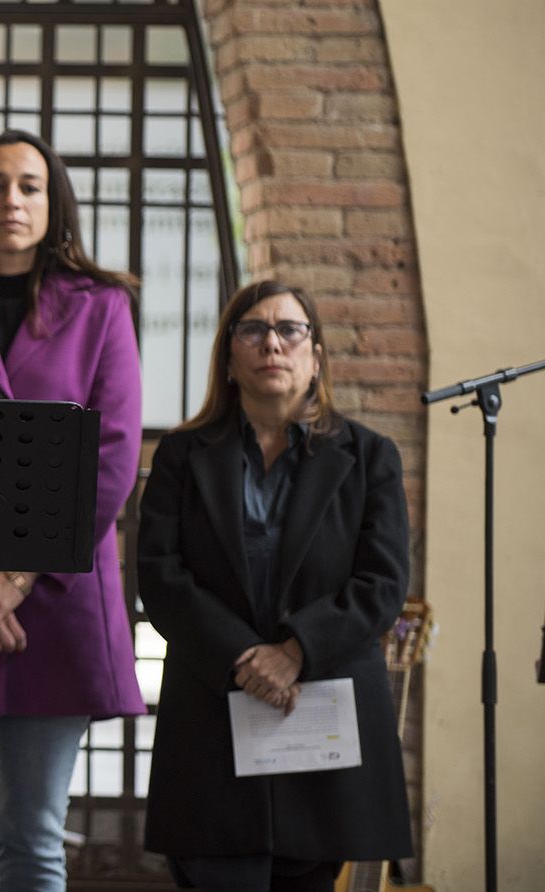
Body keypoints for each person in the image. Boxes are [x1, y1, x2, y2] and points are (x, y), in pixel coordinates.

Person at [136, 280, 413, 891]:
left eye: (290, 330)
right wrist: (246, 660)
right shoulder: (183, 456)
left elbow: (382, 582)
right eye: (252, 329)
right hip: (213, 711)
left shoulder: (370, 458)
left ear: (315, 356)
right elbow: (161, 577)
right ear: (229, 356)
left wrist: (292, 652)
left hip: (319, 713)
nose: (272, 344)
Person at [0, 129, 147, 891]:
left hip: (56, 602)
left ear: (54, 204)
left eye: (29, 185)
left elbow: (112, 457)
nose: (11, 200)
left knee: (32, 839)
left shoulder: (101, 307)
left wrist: (16, 579)